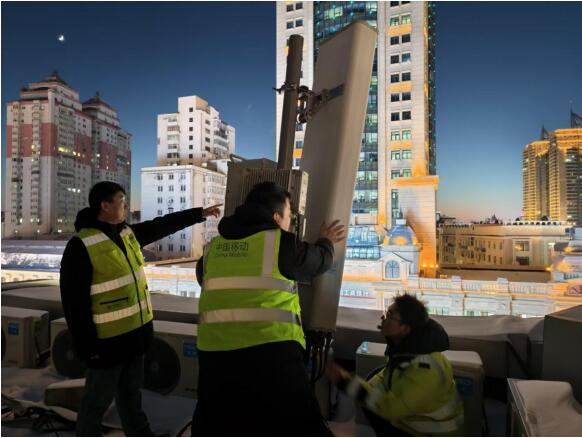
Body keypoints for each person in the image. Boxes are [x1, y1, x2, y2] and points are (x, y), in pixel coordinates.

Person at [60, 181, 220, 436]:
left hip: (135, 339)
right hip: (106, 346)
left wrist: (199, 214)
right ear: (105, 206)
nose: (126, 206)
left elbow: (162, 225)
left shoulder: (127, 234)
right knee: (95, 403)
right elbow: (74, 304)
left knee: (131, 398)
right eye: (122, 201)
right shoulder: (81, 246)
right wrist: (88, 349)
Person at [191, 181, 346, 436]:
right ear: (276, 218)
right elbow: (319, 261)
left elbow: (207, 281)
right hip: (272, 357)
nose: (291, 222)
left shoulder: (212, 250)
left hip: (215, 361)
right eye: (289, 216)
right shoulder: (280, 244)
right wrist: (326, 241)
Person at [328, 294, 464, 437]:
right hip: (409, 424)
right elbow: (384, 377)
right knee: (371, 386)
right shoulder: (405, 351)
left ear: (404, 329)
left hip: (429, 434)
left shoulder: (426, 370)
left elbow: (391, 408)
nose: (383, 318)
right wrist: (365, 387)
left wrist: (346, 382)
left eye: (389, 315)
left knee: (370, 400)